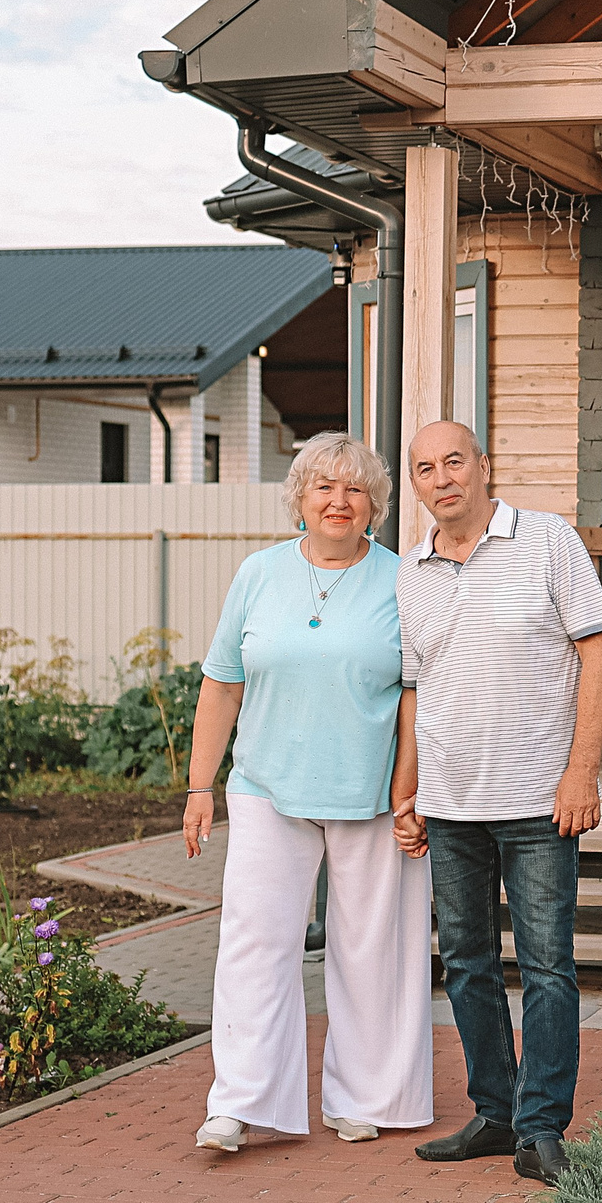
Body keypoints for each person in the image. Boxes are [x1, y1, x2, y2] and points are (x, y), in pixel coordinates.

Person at [182, 430, 432, 1152]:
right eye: (324, 485)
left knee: (373, 948)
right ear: (300, 497)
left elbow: (418, 695)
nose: (339, 499)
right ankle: (240, 1101)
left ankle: (365, 1096)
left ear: (375, 505)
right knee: (256, 945)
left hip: (374, 792)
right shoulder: (258, 573)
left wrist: (409, 790)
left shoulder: (404, 579)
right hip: (266, 785)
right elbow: (222, 683)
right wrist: (202, 786)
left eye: (355, 488)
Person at [397, 420, 602, 1183]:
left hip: (536, 797)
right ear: (417, 484)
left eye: (454, 460)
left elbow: (599, 651)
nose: (441, 477)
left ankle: (541, 1127)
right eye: (425, 467)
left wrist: (580, 771)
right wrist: (409, 787)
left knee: (548, 964)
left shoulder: (549, 540)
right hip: (451, 802)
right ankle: (495, 1112)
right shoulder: (412, 571)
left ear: (483, 466)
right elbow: (417, 686)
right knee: (465, 961)